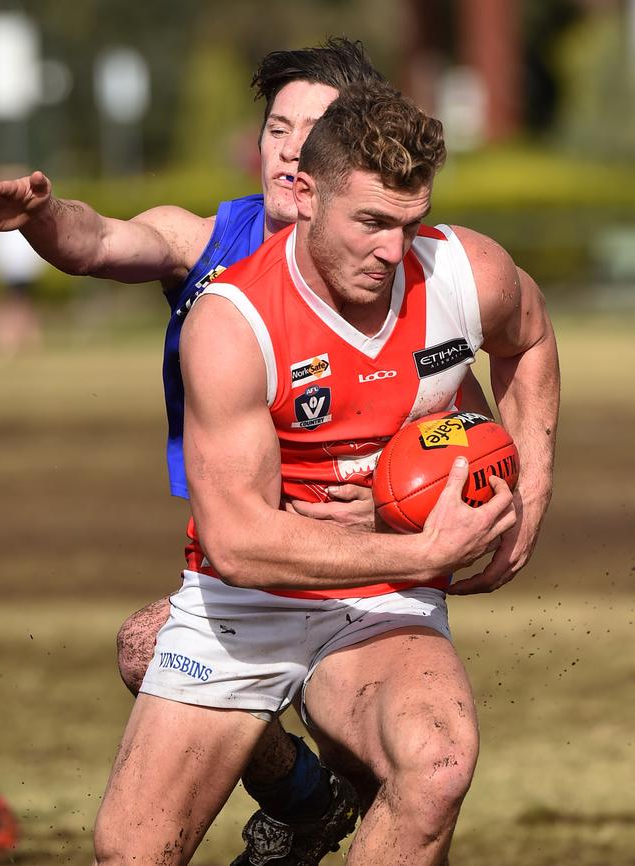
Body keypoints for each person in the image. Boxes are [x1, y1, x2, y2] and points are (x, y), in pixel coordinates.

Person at [89, 80, 559, 866]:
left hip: (382, 606)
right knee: (130, 853)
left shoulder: (461, 271)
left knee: (437, 765)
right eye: (371, 221)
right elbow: (238, 544)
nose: (392, 250)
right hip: (248, 600)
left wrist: (533, 495)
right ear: (303, 194)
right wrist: (423, 551)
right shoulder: (235, 321)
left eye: (410, 222)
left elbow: (530, 336)